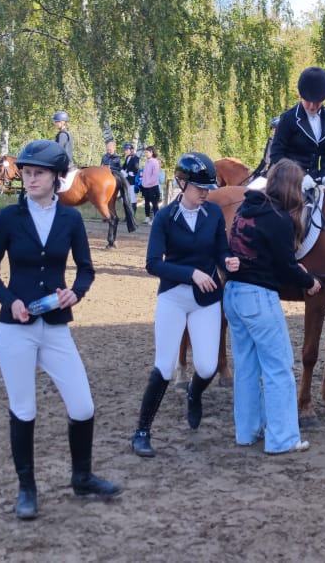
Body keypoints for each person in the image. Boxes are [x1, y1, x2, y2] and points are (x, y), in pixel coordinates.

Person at [0, 140, 121, 520]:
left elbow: (86, 269)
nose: (30, 179)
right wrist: (10, 301)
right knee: (24, 409)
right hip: (16, 329)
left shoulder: (71, 220)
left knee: (83, 406)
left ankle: (82, 478)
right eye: (26, 173)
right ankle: (27, 488)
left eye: (38, 173)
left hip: (56, 327)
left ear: (57, 177)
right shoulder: (9, 218)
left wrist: (75, 293)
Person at [131, 153, 230, 457]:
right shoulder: (165, 217)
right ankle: (142, 431)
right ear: (181, 183)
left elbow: (221, 252)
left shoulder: (213, 214)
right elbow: (153, 264)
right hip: (173, 297)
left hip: (206, 300)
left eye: (208, 188)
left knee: (208, 366)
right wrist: (191, 274)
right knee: (163, 366)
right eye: (200, 187)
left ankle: (194, 393)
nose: (205, 193)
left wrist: (230, 261)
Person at [223, 160, 320, 454]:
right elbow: (285, 267)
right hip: (258, 297)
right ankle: (283, 439)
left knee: (246, 368)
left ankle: (247, 431)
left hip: (233, 294)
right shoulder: (279, 218)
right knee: (278, 368)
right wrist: (309, 281)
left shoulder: (246, 209)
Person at [268, 67, 325, 192]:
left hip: (315, 179)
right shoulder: (288, 118)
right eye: (308, 101)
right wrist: (300, 176)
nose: (312, 107)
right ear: (301, 96)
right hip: (288, 181)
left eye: (317, 102)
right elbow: (276, 155)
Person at [52, 111, 79, 191]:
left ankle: (55, 190)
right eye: (55, 122)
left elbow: (58, 149)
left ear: (63, 122)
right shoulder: (67, 133)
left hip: (63, 162)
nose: (55, 123)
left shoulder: (62, 134)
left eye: (57, 121)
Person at [140, 146, 163, 223]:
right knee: (146, 202)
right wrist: (143, 183)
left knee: (154, 204)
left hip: (153, 187)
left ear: (152, 152)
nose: (145, 154)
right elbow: (145, 174)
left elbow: (155, 176)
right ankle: (147, 218)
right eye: (145, 152)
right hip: (145, 186)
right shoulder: (147, 162)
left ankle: (156, 220)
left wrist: (147, 183)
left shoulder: (155, 162)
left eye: (147, 152)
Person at [121, 142, 141, 207]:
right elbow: (124, 167)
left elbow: (136, 169)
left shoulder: (136, 158)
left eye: (127, 150)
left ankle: (133, 211)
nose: (125, 151)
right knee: (126, 198)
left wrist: (128, 173)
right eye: (125, 150)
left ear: (131, 150)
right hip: (126, 179)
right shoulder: (127, 157)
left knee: (132, 199)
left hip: (132, 180)